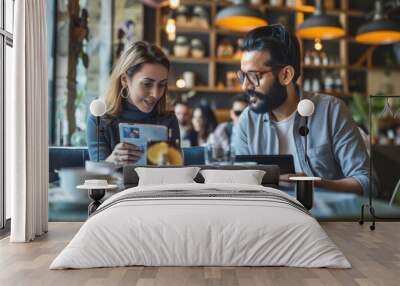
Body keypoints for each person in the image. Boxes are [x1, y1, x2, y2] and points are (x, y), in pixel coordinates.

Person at [233, 24, 375, 196]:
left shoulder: (331, 111)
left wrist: (314, 185)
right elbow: (240, 185)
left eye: (254, 76)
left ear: (286, 75)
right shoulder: (247, 122)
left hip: (329, 220)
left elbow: (368, 183)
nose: (244, 86)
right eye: (243, 75)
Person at [87, 41, 180, 167]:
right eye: (147, 84)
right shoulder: (100, 120)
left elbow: (176, 172)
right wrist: (112, 162)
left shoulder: (168, 118)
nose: (156, 94)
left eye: (162, 84)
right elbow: (96, 175)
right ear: (125, 80)